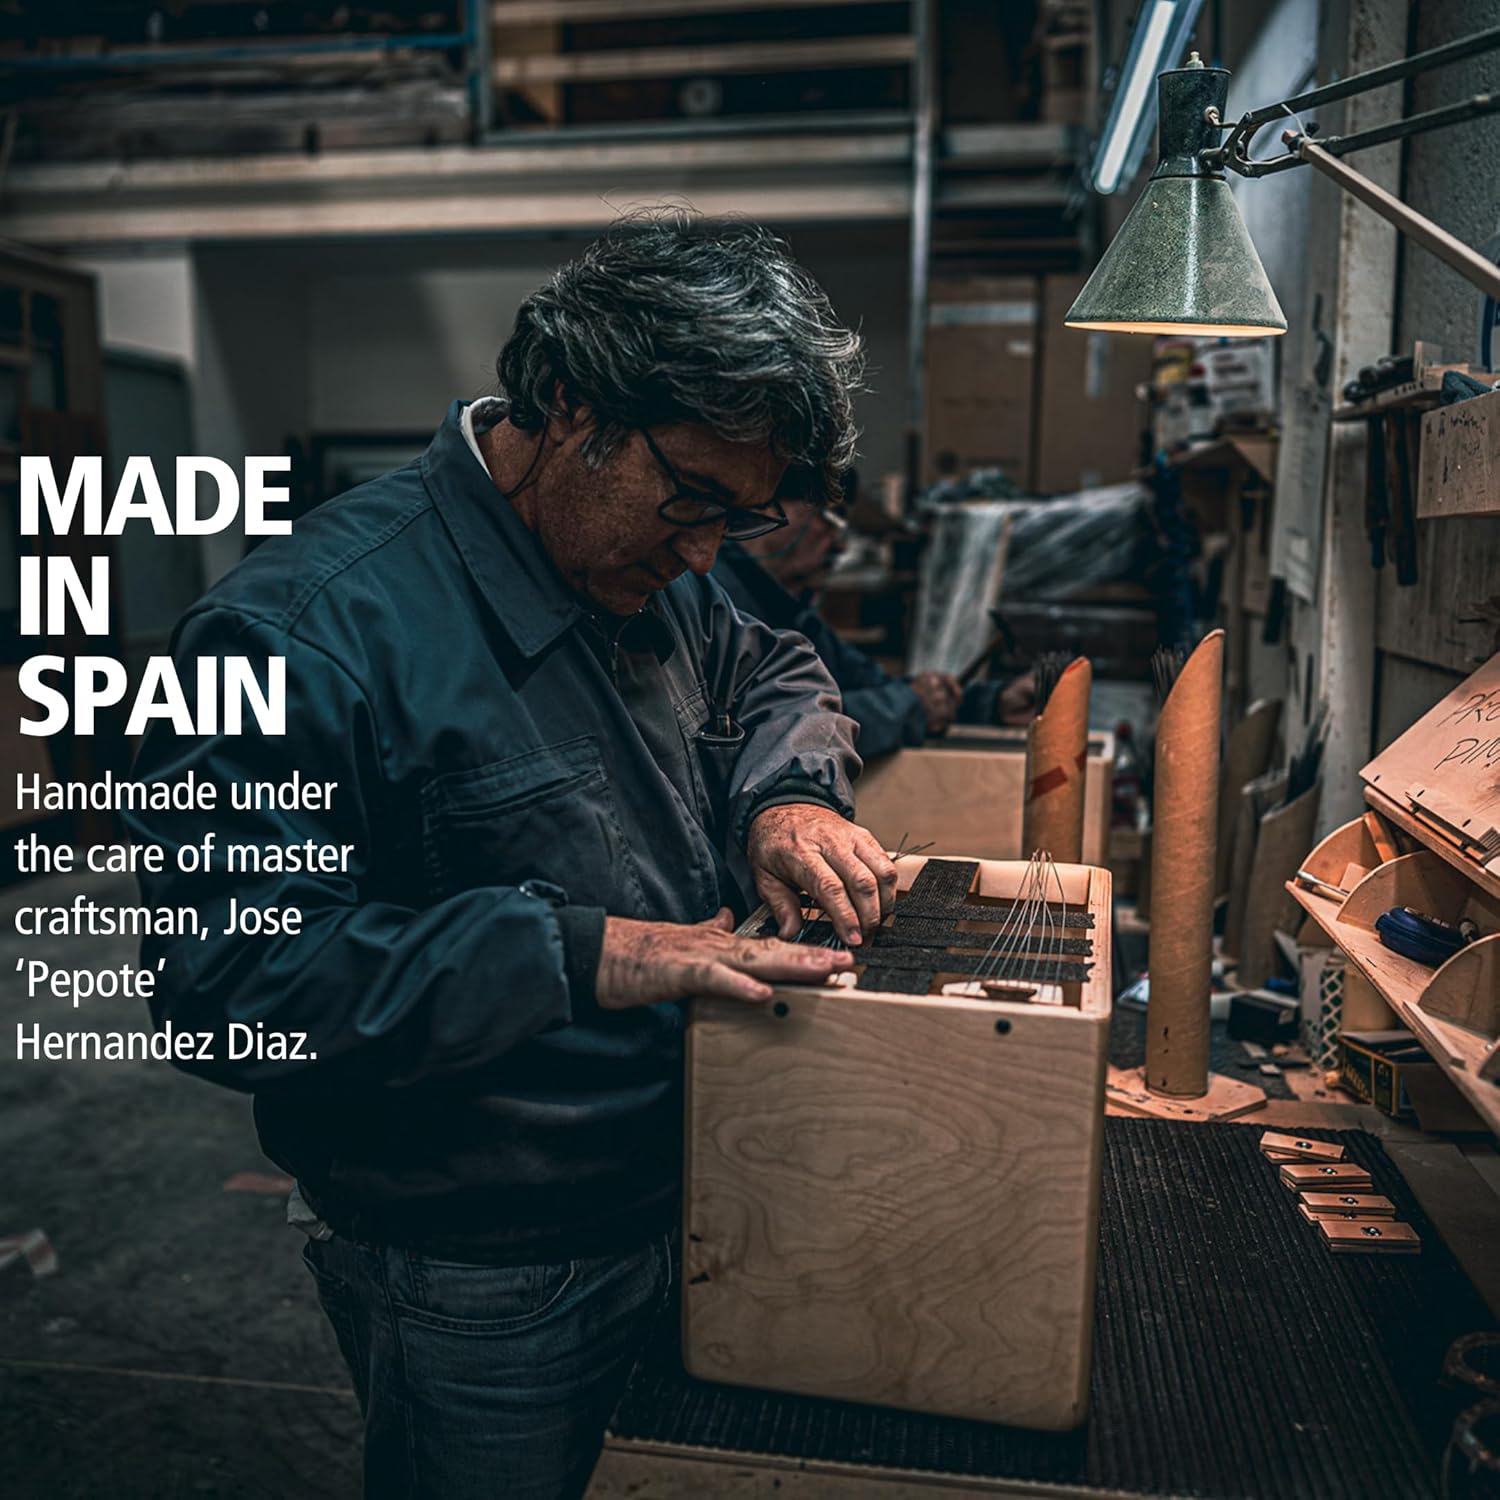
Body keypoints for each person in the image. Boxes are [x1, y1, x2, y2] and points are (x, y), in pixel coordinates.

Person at [125, 212, 899, 1500]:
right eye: (692, 498)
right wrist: (577, 954)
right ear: (571, 406)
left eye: (742, 518)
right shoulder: (297, 635)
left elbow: (774, 666)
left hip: (700, 1189)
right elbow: (229, 985)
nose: (706, 551)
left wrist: (788, 799)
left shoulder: (657, 567)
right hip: (488, 1274)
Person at [713, 483, 1036, 758]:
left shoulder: (792, 614)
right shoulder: (718, 604)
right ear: (767, 507)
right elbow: (782, 729)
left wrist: (991, 703)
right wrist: (910, 705)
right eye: (830, 518)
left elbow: (870, 685)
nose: (840, 544)